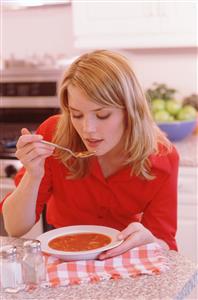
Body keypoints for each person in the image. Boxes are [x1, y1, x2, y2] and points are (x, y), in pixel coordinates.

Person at [2, 50, 179, 260]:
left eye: (102, 115)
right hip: (65, 254)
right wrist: (33, 174)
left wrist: (149, 240)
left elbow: (164, 243)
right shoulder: (54, 134)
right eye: (76, 115)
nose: (88, 129)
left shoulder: (162, 157)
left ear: (131, 111)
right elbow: (14, 228)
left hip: (122, 256)